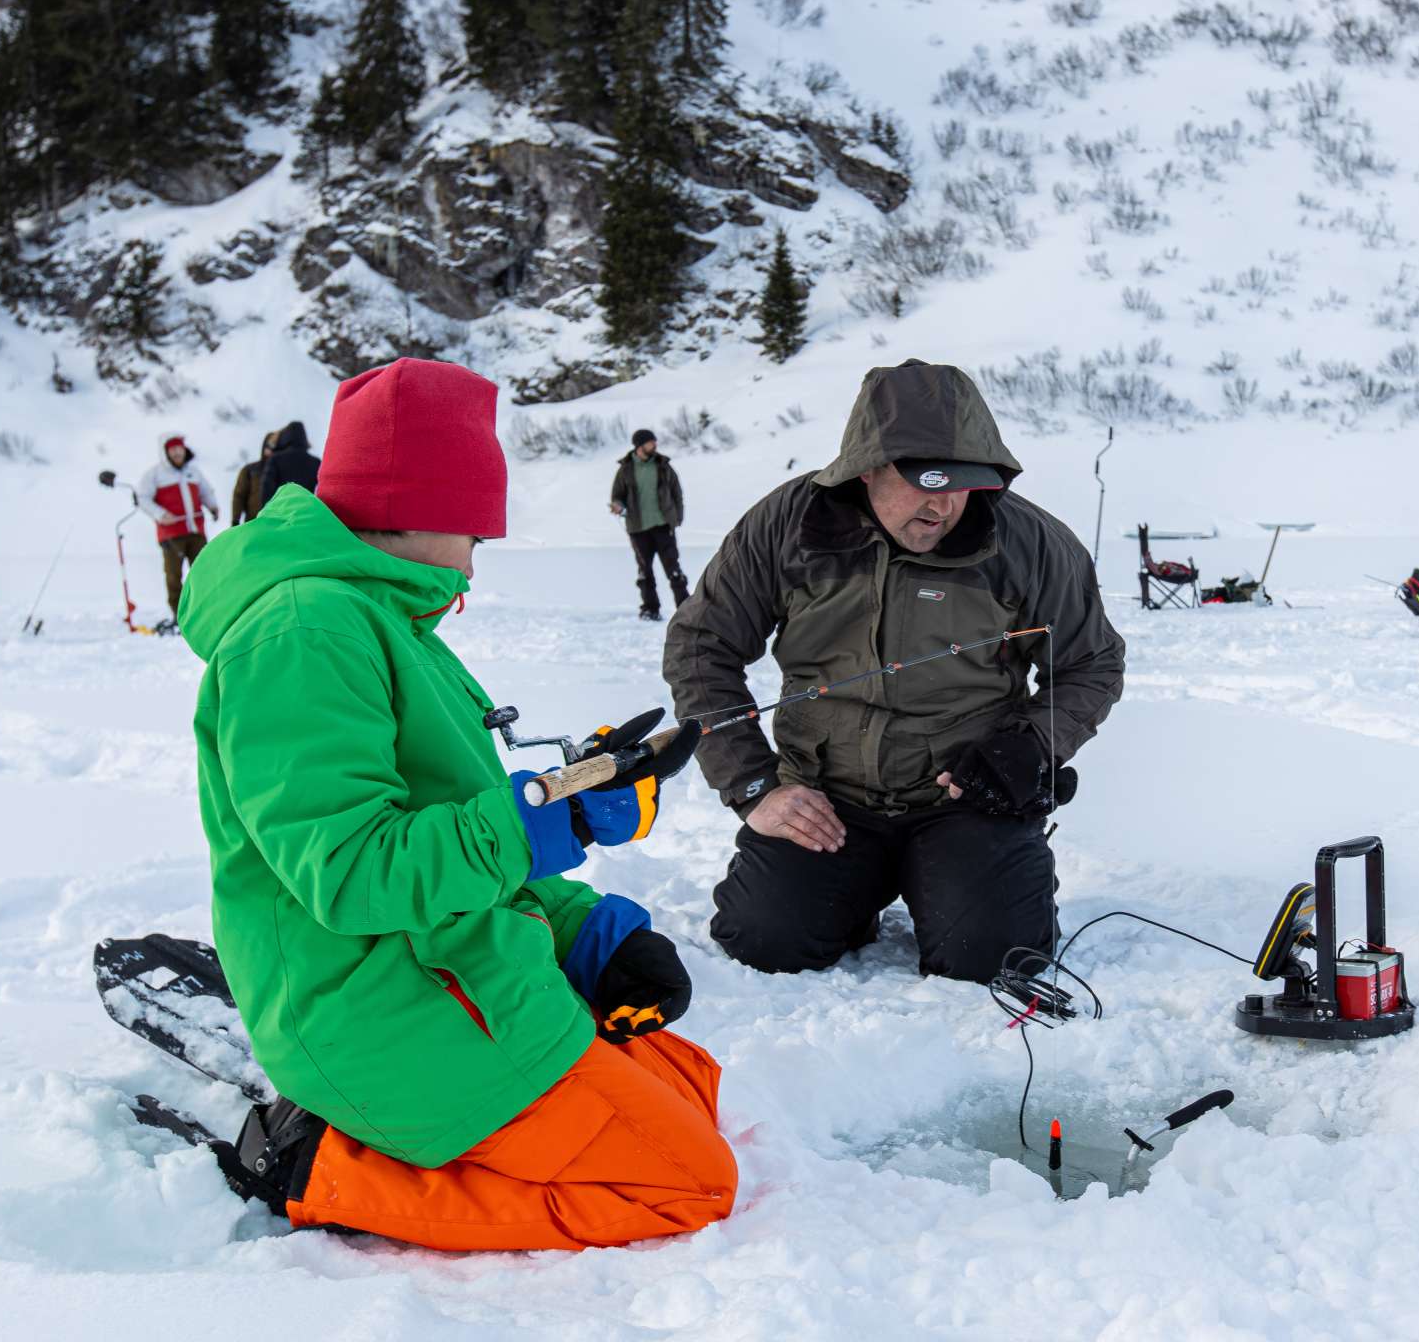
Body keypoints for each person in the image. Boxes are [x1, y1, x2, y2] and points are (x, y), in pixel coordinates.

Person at [176, 357, 731, 1252]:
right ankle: (318, 1170)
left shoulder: (387, 623)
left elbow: (465, 822)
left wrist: (585, 925)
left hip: (452, 965)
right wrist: (538, 819)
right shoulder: (304, 633)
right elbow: (352, 871)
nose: (480, 554)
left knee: (685, 1077)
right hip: (373, 1001)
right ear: (423, 510)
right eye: (477, 530)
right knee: (685, 1184)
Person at [665, 360, 1127, 982]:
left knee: (995, 958)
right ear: (870, 465)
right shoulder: (790, 525)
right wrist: (753, 785)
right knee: (764, 940)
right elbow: (702, 645)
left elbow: (1091, 662)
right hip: (827, 799)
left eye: (965, 481)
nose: (945, 504)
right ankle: (853, 895)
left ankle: (969, 882)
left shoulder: (1030, 543)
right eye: (929, 480)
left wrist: (1032, 746)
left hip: (965, 801)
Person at [609, 428, 689, 621]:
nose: (654, 445)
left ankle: (686, 609)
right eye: (650, 442)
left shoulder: (663, 466)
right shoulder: (626, 469)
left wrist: (677, 517)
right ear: (639, 446)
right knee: (645, 572)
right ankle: (650, 609)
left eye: (654, 442)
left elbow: (677, 493)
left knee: (674, 569)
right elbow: (617, 496)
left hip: (663, 526)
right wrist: (618, 506)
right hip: (638, 529)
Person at [140, 434, 221, 615]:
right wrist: (160, 514)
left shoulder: (194, 472)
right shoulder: (155, 474)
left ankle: (207, 610)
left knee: (203, 571)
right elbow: (142, 498)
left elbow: (205, 492)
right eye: (172, 449)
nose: (177, 452)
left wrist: (213, 506)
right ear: (166, 452)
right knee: (174, 576)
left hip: (196, 532)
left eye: (180, 448)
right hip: (171, 534)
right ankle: (178, 615)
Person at [257, 419, 321, 505]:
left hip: (279, 512)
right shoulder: (316, 462)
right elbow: (322, 491)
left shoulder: (275, 459)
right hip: (306, 512)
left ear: (285, 437)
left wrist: (264, 512)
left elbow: (267, 488)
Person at [227, 431, 275, 527]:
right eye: (269, 446)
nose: (272, 450)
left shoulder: (285, 471)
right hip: (253, 523)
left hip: (277, 524)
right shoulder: (250, 470)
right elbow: (239, 496)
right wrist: (235, 520)